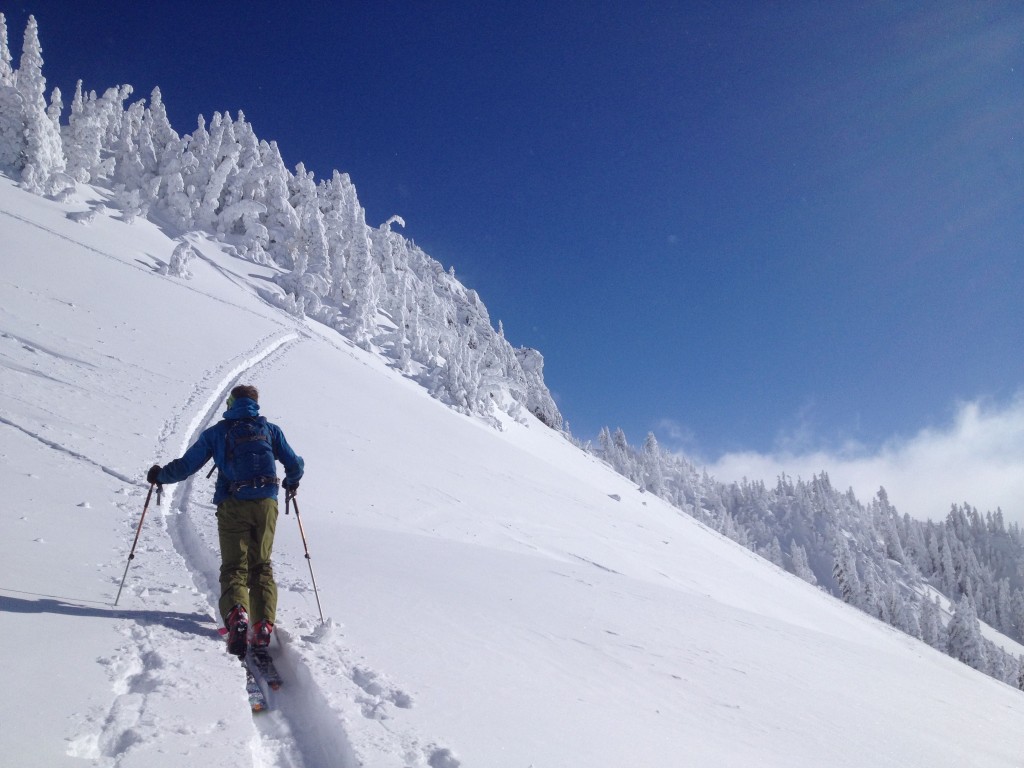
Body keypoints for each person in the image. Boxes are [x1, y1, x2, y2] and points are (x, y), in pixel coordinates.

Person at [147, 384, 303, 657]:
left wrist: (160, 475)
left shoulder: (218, 432)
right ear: (255, 404)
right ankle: (263, 624)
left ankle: (237, 616)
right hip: (267, 503)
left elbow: (186, 466)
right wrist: (291, 482)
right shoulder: (269, 430)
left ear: (230, 404)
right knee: (262, 565)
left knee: (234, 567)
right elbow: (294, 463)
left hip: (233, 503)